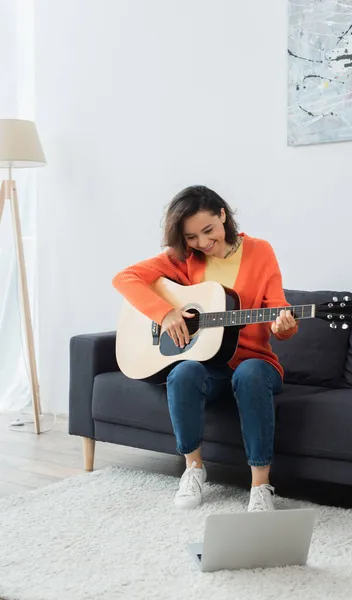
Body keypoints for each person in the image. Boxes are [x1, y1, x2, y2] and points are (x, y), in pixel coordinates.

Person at [112, 185, 298, 512]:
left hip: (256, 365)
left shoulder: (260, 251)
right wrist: (166, 313)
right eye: (191, 236)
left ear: (223, 215)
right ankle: (194, 469)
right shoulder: (186, 259)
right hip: (211, 370)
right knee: (184, 372)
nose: (202, 242)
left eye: (208, 230)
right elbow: (125, 278)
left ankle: (260, 485)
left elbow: (278, 307)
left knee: (251, 371)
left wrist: (284, 325)